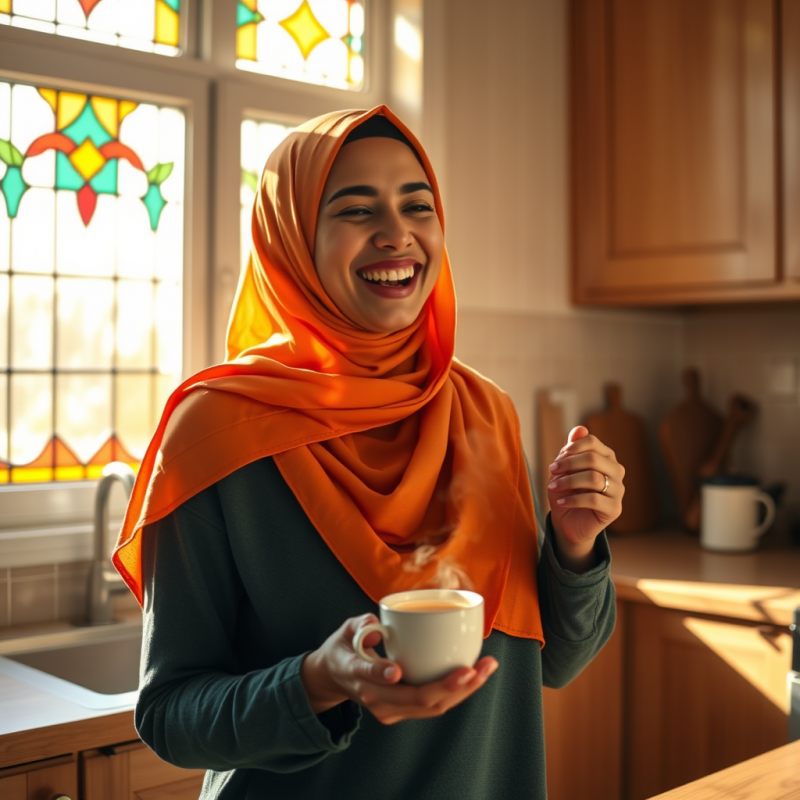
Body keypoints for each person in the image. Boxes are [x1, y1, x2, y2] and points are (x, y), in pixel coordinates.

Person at [113, 107, 623, 799]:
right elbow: (171, 715)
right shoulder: (215, 433)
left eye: (418, 206)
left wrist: (575, 544)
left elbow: (552, 662)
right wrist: (316, 681)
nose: (397, 233)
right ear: (292, 239)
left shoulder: (484, 415)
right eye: (356, 210)